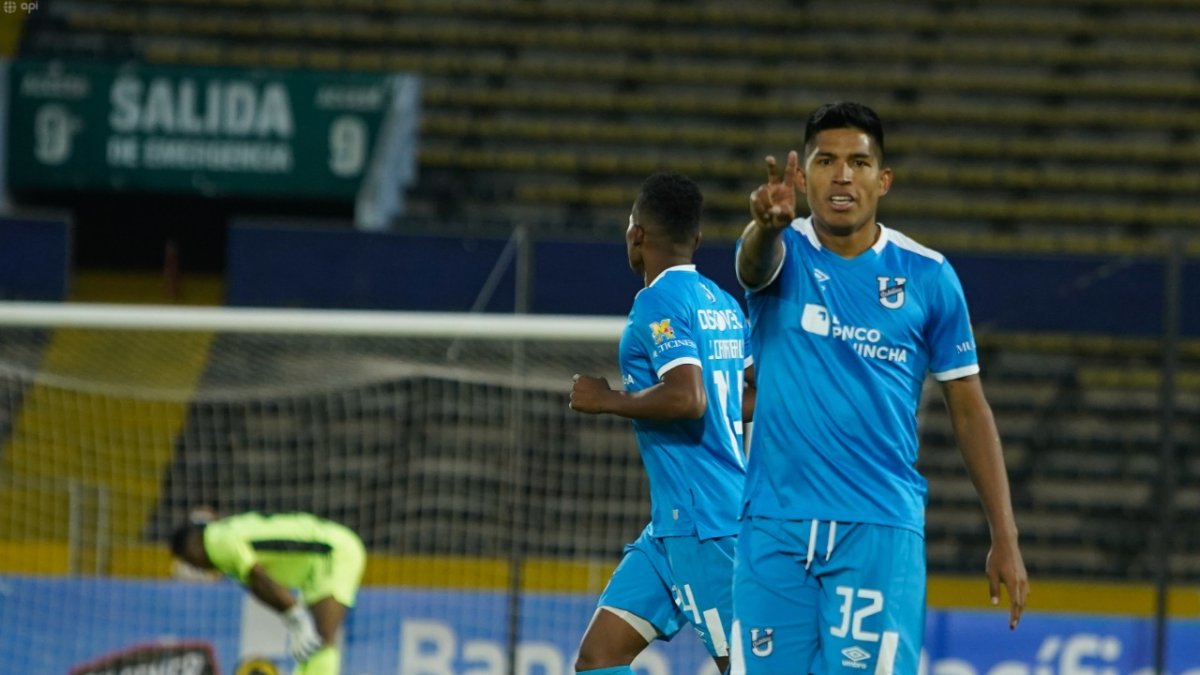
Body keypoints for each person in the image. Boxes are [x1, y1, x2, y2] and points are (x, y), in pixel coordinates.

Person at [729, 102, 1029, 675]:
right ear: (803, 177)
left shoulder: (929, 276)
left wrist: (1005, 534)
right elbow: (751, 266)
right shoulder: (782, 249)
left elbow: (969, 411)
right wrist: (764, 227)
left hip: (877, 531)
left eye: (859, 163)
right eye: (825, 161)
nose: (842, 176)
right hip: (773, 527)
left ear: (882, 180)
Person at [569, 172, 755, 675]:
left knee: (744, 667)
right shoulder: (722, 304)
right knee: (598, 659)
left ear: (636, 234)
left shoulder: (657, 302)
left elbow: (688, 398)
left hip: (705, 525)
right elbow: (756, 392)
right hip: (672, 526)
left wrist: (608, 400)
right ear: (697, 239)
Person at [169, 511, 366, 675]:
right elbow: (259, 587)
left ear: (193, 545)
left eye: (188, 560)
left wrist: (296, 617)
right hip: (316, 565)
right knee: (310, 641)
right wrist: (295, 619)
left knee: (322, 637)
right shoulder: (223, 542)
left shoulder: (214, 541)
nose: (195, 567)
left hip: (333, 551)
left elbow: (258, 576)